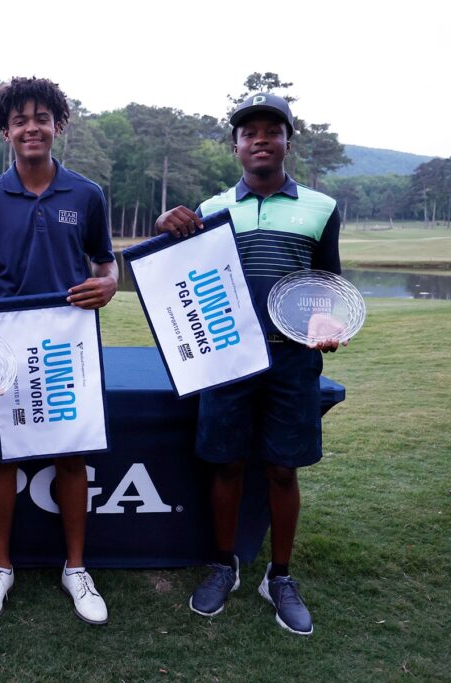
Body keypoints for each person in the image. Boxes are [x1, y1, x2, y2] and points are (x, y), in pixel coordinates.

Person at [155, 93, 344, 636]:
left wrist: (326, 322)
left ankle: (279, 577)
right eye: (249, 132)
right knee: (227, 464)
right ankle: (224, 564)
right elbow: (179, 270)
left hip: (290, 360)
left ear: (288, 141)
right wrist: (166, 221)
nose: (260, 139)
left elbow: (326, 281)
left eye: (272, 130)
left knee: (282, 468)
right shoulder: (213, 209)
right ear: (236, 146)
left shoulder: (321, 207)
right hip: (227, 358)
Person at [0, 77, 118, 626]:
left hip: (66, 348)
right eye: (20, 119)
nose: (32, 127)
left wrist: (111, 283)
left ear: (58, 125)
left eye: (41, 117)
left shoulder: (87, 194)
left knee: (71, 458)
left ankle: (76, 568)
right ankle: (0, 567)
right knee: (3, 460)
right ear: (6, 130)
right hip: (5, 350)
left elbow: (105, 264)